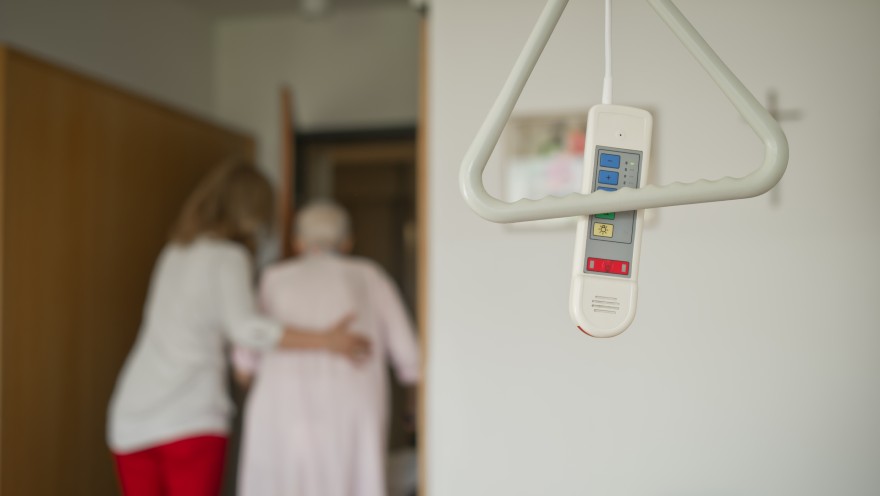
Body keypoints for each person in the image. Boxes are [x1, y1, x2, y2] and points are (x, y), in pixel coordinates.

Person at [106, 160, 370, 496]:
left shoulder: (175, 252)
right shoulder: (229, 257)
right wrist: (327, 340)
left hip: (131, 416)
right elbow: (247, 329)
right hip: (188, 417)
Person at [234, 200, 420, 496]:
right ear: (347, 242)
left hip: (280, 412)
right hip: (351, 413)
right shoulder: (369, 276)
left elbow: (244, 364)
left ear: (297, 242)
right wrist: (413, 414)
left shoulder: (274, 279)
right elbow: (411, 361)